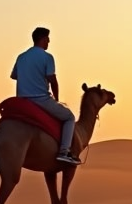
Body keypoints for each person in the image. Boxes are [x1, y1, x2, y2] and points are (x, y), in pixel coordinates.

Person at [11, 27, 81, 165]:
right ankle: (64, 151)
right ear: (42, 39)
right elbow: (52, 80)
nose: (49, 41)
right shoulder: (47, 57)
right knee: (69, 117)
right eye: (47, 39)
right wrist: (57, 99)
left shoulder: (21, 57)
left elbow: (14, 76)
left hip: (21, 101)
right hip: (40, 99)